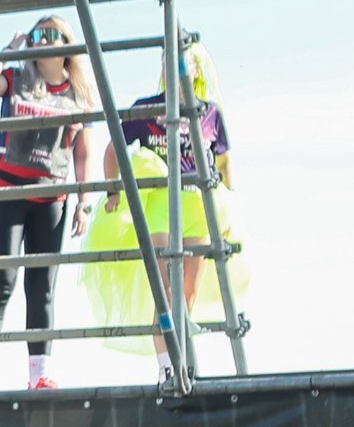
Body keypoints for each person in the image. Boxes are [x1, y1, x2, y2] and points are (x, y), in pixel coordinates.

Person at [85, 42, 243, 361]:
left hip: (199, 207)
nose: (171, 67)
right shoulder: (146, 107)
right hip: (161, 205)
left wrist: (226, 208)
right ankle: (166, 367)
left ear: (195, 69)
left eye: (180, 63)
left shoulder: (208, 111)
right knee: (165, 290)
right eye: (165, 61)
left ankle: (182, 358)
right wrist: (113, 190)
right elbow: (113, 148)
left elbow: (222, 163)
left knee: (188, 292)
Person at [0, 18, 93, 391]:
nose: (43, 42)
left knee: (43, 288)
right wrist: (8, 50)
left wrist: (84, 201)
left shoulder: (80, 94)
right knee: (1, 280)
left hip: (50, 196)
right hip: (6, 191)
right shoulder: (17, 79)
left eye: (52, 35)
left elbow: (82, 153)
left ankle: (39, 374)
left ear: (66, 45)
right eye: (38, 35)